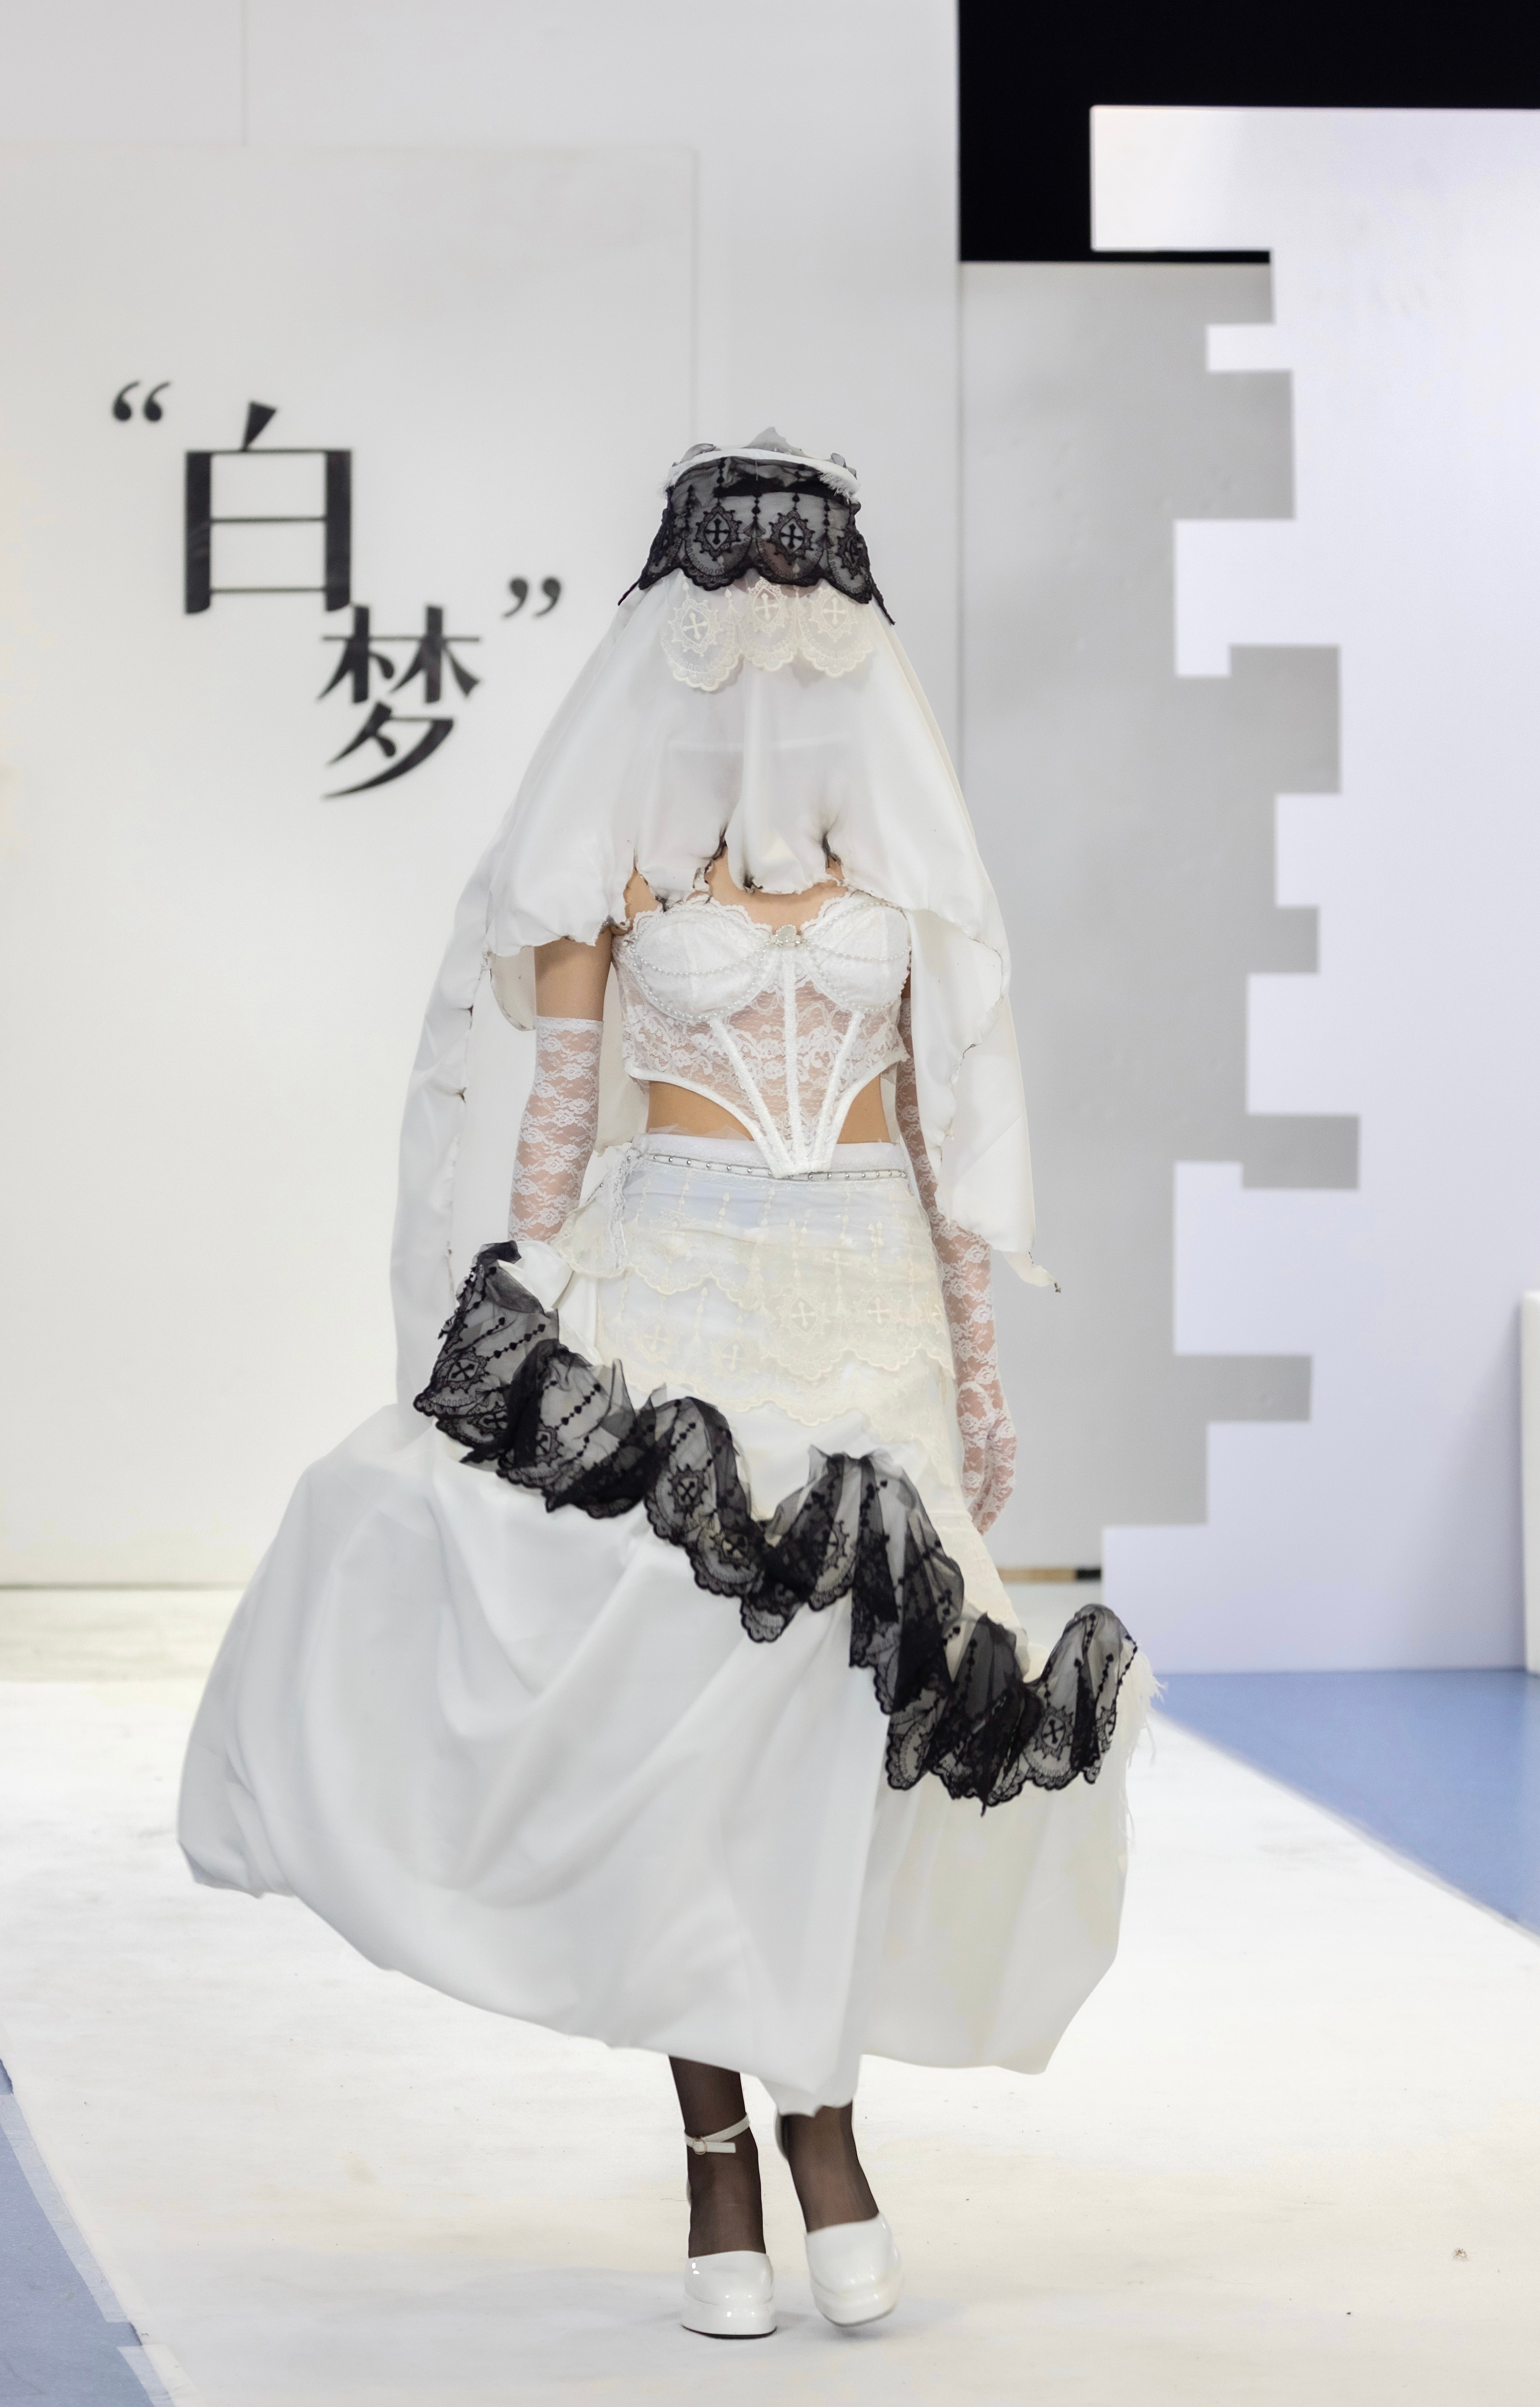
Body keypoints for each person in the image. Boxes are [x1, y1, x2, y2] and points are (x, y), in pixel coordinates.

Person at [180, 431, 1150, 2340]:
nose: (774, 652)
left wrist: (976, 1369)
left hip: (864, 1306)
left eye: (806, 621)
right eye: (738, 618)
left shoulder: (901, 880)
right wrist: (512, 1334)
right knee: (691, 1734)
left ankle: (823, 2119)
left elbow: (944, 1136)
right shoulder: (607, 876)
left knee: (830, 1738)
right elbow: (557, 1126)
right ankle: (725, 2149)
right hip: (675, 1293)